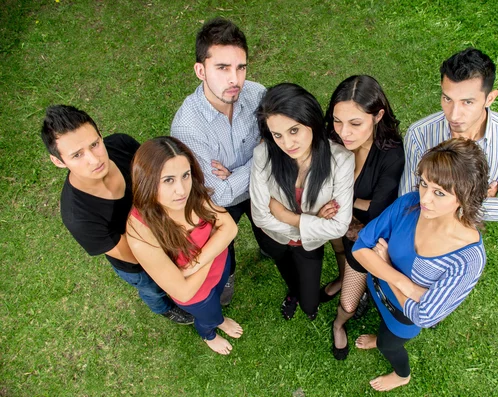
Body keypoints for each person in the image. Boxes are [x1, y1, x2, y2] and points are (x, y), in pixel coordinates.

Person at [353, 138, 489, 391]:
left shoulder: (467, 259)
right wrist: (409, 286)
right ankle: (379, 338)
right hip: (379, 289)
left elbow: (423, 315)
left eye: (439, 192)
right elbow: (360, 248)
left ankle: (401, 375)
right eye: (424, 183)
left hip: (402, 317)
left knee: (389, 344)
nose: (425, 199)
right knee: (381, 326)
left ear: (465, 196)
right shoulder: (409, 204)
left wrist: (386, 266)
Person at [41, 105, 193, 325]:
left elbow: (157, 176)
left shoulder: (122, 144)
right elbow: (133, 255)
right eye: (77, 155)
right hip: (138, 263)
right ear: (58, 161)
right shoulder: (79, 217)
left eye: (94, 144)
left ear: (101, 135)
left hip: (166, 228)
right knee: (153, 289)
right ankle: (165, 309)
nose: (94, 159)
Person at [171, 17, 268, 305]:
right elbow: (220, 193)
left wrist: (239, 170)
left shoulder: (256, 93)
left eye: (241, 67)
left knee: (269, 235)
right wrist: (261, 156)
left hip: (257, 187)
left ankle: (268, 247)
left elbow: (274, 139)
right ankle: (227, 275)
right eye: (222, 68)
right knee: (224, 246)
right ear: (200, 70)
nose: (235, 80)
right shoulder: (187, 127)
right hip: (220, 203)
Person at [126, 137, 243, 355]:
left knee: (218, 299)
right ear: (146, 181)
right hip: (196, 293)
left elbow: (230, 228)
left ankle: (219, 319)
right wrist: (214, 245)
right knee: (208, 316)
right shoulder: (141, 232)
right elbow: (184, 290)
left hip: (218, 267)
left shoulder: (191, 194)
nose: (181, 190)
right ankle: (209, 333)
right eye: (168, 180)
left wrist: (193, 265)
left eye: (185, 175)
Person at [250, 83, 354, 320]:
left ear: (311, 121)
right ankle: (292, 292)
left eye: (294, 130)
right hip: (275, 237)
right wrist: (312, 222)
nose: (287, 144)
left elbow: (339, 225)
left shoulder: (341, 160)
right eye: (277, 135)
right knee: (285, 269)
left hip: (310, 244)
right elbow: (259, 215)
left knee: (310, 304)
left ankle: (304, 298)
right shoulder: (263, 155)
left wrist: (290, 217)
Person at [323, 75, 405, 360]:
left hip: (364, 234)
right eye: (337, 120)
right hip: (334, 221)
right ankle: (340, 274)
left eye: (355, 123)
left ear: (378, 115)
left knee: (348, 302)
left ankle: (339, 324)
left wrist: (339, 200)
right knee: (336, 248)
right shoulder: (332, 138)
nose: (343, 132)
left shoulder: (391, 155)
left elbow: (378, 210)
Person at [399, 48, 498, 222]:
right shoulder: (420, 133)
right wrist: (474, 201)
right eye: (447, 99)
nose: (453, 115)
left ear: (490, 99)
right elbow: (408, 200)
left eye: (467, 102)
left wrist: (448, 204)